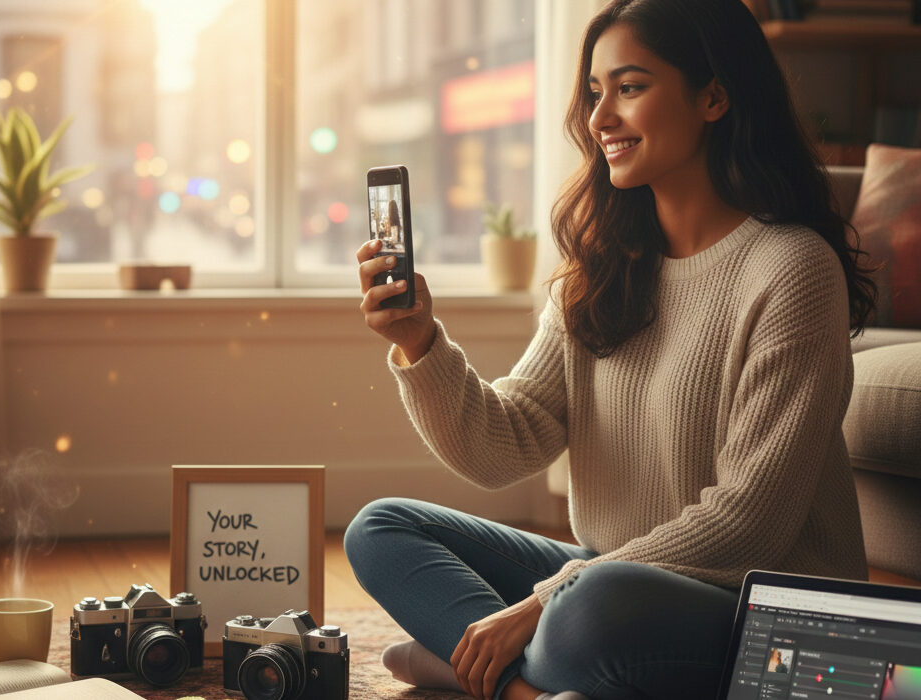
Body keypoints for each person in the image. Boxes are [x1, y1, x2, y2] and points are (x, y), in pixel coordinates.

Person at [345, 0, 876, 698]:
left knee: (586, 615)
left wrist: (543, 601)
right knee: (380, 529)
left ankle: (462, 665)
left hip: (762, 604)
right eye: (595, 93)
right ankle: (523, 689)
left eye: (629, 87)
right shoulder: (603, 267)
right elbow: (502, 445)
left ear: (714, 96)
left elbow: (749, 524)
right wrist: (419, 343)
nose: (598, 119)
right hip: (611, 571)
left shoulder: (791, 269)